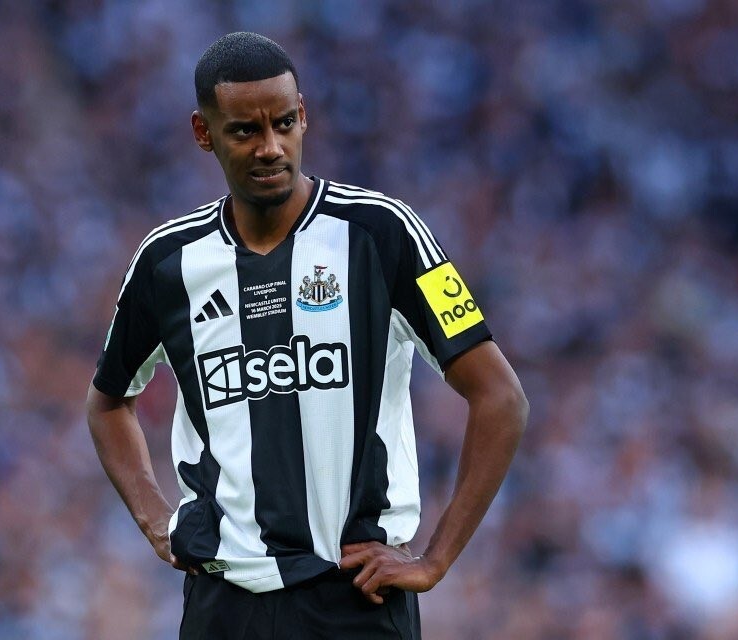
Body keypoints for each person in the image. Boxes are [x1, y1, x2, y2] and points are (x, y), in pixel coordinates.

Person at [86, 31, 528, 640]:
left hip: (355, 599)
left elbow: (501, 396)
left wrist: (436, 558)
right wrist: (155, 521)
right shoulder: (167, 263)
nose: (270, 147)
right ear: (203, 132)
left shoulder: (383, 234)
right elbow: (108, 401)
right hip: (225, 606)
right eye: (245, 130)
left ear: (304, 116)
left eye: (284, 123)